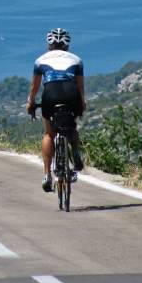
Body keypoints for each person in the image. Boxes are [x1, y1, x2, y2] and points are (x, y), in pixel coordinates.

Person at [26, 28, 86, 192]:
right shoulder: (77, 60)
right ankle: (75, 154)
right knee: (71, 125)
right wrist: (82, 103)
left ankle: (47, 175)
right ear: (67, 45)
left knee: (48, 134)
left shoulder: (40, 60)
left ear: (49, 44)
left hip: (51, 94)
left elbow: (35, 87)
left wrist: (30, 103)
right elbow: (80, 87)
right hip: (71, 94)